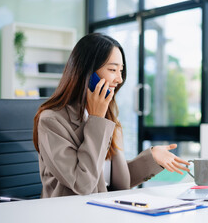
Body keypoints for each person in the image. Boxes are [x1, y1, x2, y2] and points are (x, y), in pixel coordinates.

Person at [33, 33, 189, 198]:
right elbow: (83, 183)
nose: (119, 79)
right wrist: (97, 120)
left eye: (121, 71)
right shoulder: (52, 121)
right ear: (88, 72)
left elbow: (113, 180)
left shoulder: (108, 116)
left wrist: (152, 158)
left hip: (105, 209)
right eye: (113, 69)